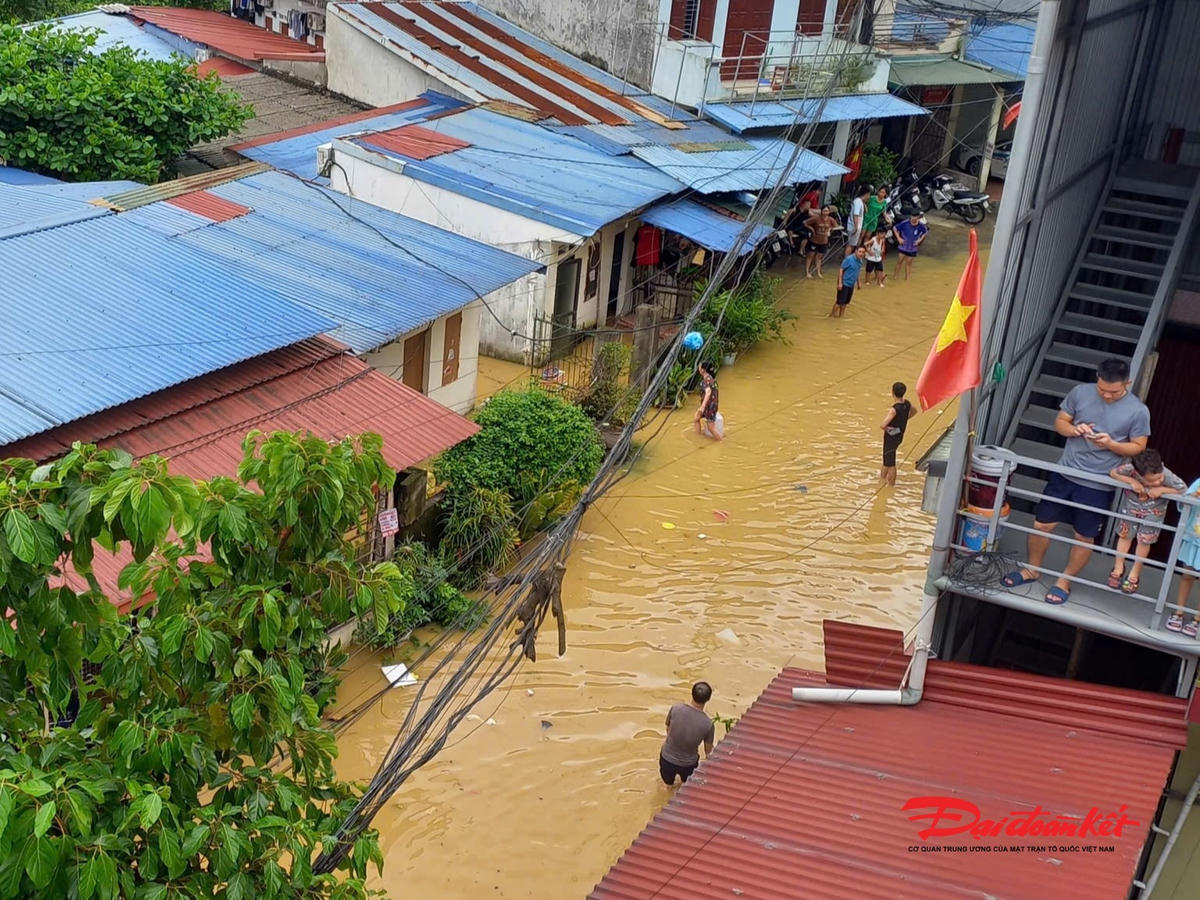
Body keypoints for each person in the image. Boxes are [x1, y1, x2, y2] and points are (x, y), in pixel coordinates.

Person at [1002, 358, 1151, 606]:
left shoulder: (1138, 410)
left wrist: (1111, 444)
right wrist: (1075, 430)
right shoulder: (1080, 392)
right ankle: (1032, 569)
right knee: (1041, 525)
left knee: (1084, 536)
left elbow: (1139, 446)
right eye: (1102, 389)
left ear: (1128, 383)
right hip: (1064, 473)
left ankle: (1064, 581)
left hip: (1098, 483)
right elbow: (1061, 422)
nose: (1106, 395)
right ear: (1097, 378)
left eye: (1113, 392)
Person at [1106, 449, 1186, 595]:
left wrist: (1162, 489)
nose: (1157, 481)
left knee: (1144, 541)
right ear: (1137, 473)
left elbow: (1183, 490)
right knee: (1125, 536)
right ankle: (1118, 567)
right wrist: (1131, 481)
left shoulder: (1166, 475)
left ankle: (1134, 573)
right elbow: (1113, 472)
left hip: (1154, 514)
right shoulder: (1130, 469)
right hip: (1130, 508)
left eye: (1159, 478)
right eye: (1151, 481)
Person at [659, 681, 715, 786]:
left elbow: (668, 729)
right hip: (688, 764)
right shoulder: (708, 724)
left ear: (692, 693)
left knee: (667, 786)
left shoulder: (675, 709)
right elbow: (708, 752)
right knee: (686, 786)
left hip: (667, 758)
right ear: (708, 699)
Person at [1170, 477, 1200, 637]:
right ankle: (1179, 612)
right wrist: (1193, 497)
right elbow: (1183, 501)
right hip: (1193, 536)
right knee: (1186, 575)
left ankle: (1197, 619)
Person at [880, 382, 914, 485]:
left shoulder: (894, 409)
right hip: (900, 435)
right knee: (887, 459)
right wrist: (904, 420)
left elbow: (883, 425)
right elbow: (914, 411)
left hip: (891, 438)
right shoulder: (907, 403)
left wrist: (892, 431)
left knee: (891, 462)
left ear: (893, 392)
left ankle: (891, 485)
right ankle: (881, 479)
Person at [830, 244, 866, 318]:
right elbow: (841, 270)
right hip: (844, 283)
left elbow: (857, 271)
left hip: (851, 285)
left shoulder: (860, 260)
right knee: (839, 302)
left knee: (845, 302)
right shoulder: (849, 259)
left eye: (863, 252)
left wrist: (859, 282)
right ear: (855, 251)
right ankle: (831, 316)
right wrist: (840, 283)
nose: (861, 254)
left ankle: (841, 316)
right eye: (860, 252)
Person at [891, 210, 929, 281]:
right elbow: (895, 228)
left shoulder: (921, 226)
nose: (913, 218)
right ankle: (895, 278)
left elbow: (925, 232)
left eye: (915, 217)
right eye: (912, 216)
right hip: (903, 246)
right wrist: (899, 238)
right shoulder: (905, 223)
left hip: (912, 248)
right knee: (899, 262)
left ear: (918, 217)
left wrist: (919, 240)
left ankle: (907, 280)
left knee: (908, 264)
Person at [804, 205, 838, 278]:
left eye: (827, 211)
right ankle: (807, 272)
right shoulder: (816, 218)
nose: (825, 213)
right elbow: (805, 223)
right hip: (814, 240)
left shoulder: (831, 219)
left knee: (819, 258)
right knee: (810, 256)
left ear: (829, 212)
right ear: (821, 211)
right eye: (824, 211)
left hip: (824, 241)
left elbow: (837, 226)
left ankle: (818, 272)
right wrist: (812, 229)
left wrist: (830, 230)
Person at [693, 360, 723, 440]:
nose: (698, 368)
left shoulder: (706, 381)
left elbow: (708, 392)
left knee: (711, 428)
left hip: (709, 406)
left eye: (699, 366)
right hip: (711, 405)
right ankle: (698, 438)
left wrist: (702, 407)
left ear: (703, 370)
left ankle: (721, 441)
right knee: (696, 418)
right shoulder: (711, 378)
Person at [846, 184, 870, 255]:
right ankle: (846, 261)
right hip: (854, 226)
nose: (869, 197)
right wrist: (856, 227)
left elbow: (866, 211)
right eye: (868, 195)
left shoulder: (860, 202)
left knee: (853, 245)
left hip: (857, 226)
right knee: (851, 245)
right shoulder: (857, 202)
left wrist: (864, 202)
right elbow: (855, 215)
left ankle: (849, 259)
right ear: (866, 194)